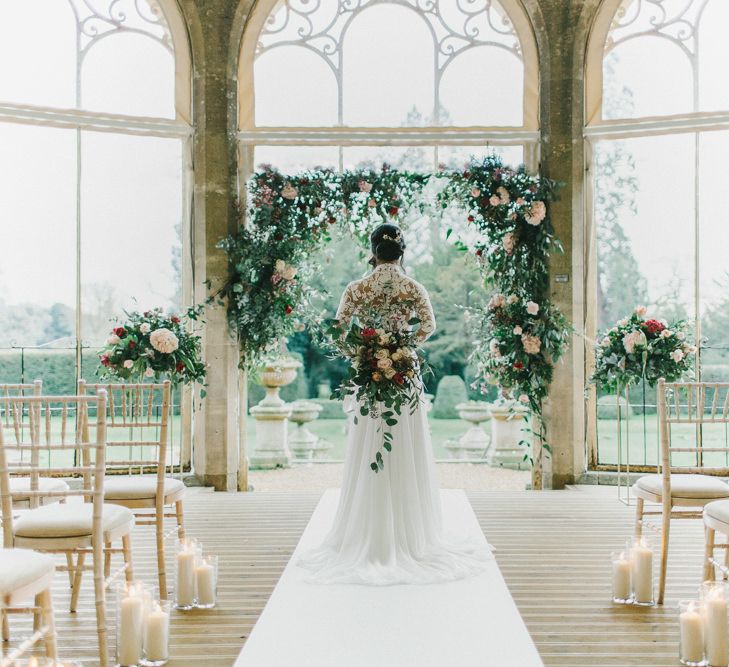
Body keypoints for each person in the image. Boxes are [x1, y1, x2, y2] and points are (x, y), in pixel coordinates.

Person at [298, 223, 491, 585]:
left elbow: (339, 330)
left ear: (372, 251)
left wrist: (365, 353)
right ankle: (411, 533)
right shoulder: (413, 287)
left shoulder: (357, 288)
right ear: (401, 252)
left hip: (370, 373)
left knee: (370, 440)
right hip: (403, 372)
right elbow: (429, 325)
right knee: (404, 443)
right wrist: (402, 347)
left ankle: (365, 531)